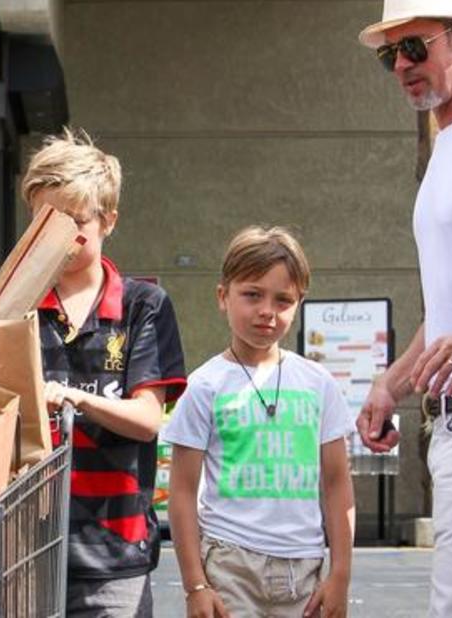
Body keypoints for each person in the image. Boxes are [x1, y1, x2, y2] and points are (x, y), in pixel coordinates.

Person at [354, 0, 452, 616]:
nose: (403, 67)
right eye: (391, 54)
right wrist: (394, 383)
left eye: (417, 47)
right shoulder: (450, 146)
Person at [21, 128, 187, 617]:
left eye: (74, 222)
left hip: (115, 555)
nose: (59, 237)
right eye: (44, 221)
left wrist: (74, 398)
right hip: (24, 547)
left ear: (108, 220)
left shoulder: (143, 306)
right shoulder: (15, 303)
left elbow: (147, 418)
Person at [162, 226, 354, 618]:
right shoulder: (204, 386)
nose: (267, 311)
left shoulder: (318, 383)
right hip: (229, 564)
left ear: (298, 304)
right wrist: (195, 584)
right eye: (252, 295)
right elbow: (181, 492)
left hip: (304, 568)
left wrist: (341, 576)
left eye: (283, 300)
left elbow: (336, 483)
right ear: (223, 296)